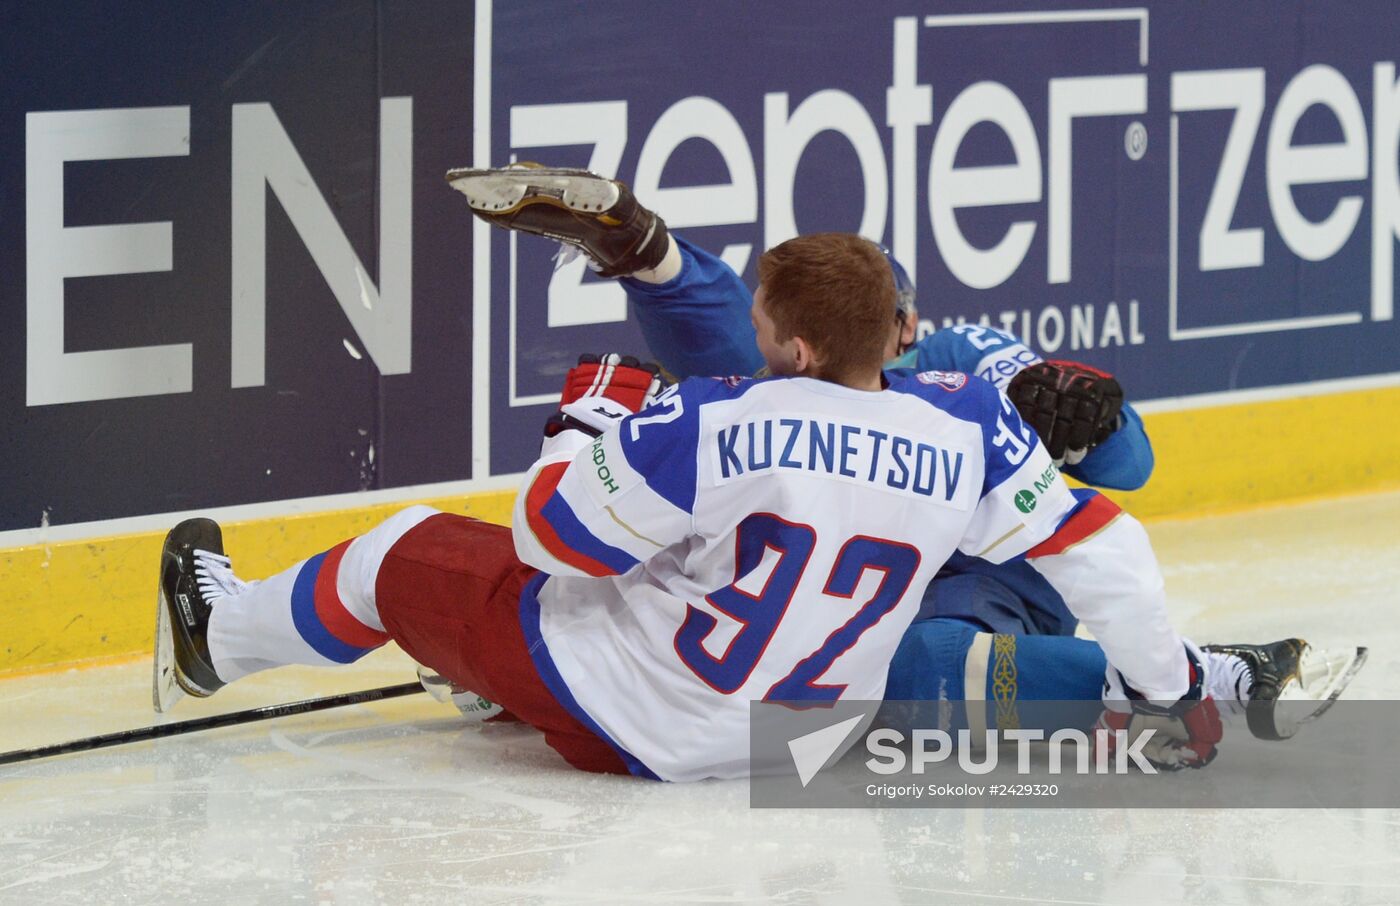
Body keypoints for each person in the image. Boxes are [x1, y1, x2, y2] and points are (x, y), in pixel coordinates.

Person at [155, 232, 1231, 780]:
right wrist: (1170, 685)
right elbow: (1114, 553)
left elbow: (551, 541)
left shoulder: (718, 414)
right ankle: (490, 689)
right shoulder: (968, 422)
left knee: (400, 553)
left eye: (761, 313)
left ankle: (216, 641)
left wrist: (584, 423)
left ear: (795, 344)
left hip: (640, 723)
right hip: (795, 741)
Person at [444, 165, 1364, 749]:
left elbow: (1130, 473)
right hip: (839, 594)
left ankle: (1207, 674)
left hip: (975, 591)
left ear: (906, 326)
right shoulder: (794, 384)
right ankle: (651, 257)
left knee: (908, 672)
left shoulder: (965, 361)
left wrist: (1083, 419)